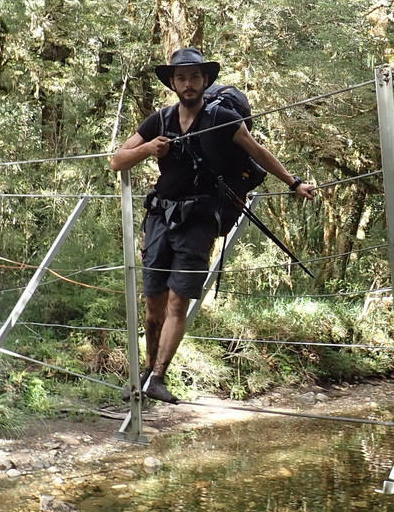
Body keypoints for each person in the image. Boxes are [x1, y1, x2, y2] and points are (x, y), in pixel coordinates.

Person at [110, 47, 317, 403]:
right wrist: (148, 150)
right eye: (181, 78)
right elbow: (117, 160)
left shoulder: (222, 118)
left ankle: (158, 376)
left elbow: (258, 153)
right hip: (160, 218)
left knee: (178, 302)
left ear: (205, 80)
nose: (188, 84)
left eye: (194, 77)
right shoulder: (159, 121)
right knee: (153, 305)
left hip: (199, 221)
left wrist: (294, 182)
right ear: (172, 83)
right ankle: (147, 372)